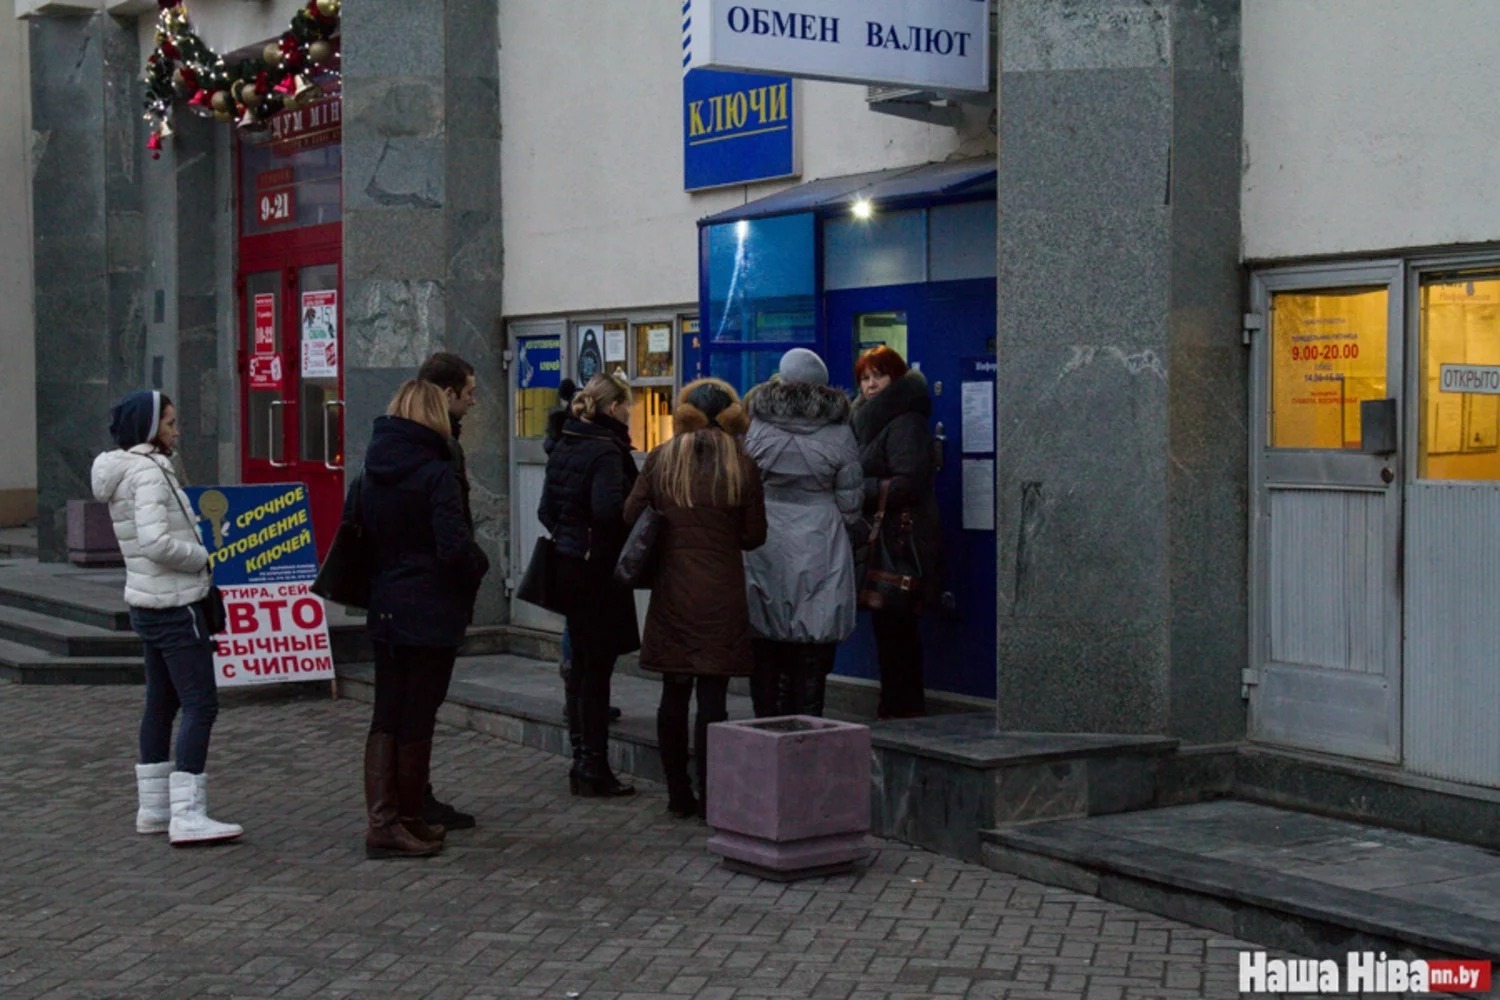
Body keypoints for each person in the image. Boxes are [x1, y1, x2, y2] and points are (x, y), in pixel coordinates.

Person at [92, 391, 242, 846]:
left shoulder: (125, 472)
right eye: (171, 423)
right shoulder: (151, 474)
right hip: (176, 605)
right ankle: (188, 814)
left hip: (149, 603)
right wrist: (202, 558)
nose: (178, 431)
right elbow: (157, 543)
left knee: (161, 702)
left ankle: (155, 809)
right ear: (151, 428)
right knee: (201, 704)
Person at [355, 380, 487, 859]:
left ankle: (386, 820)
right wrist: (479, 568)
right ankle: (403, 818)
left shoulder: (373, 467)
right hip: (429, 607)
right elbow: (453, 545)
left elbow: (360, 532)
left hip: (387, 602)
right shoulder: (436, 471)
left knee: (386, 713)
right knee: (417, 715)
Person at [625, 379, 767, 819]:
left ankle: (677, 793)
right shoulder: (741, 463)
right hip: (721, 593)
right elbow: (754, 535)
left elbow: (631, 515)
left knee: (673, 692)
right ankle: (713, 793)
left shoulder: (662, 458)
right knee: (713, 698)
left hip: (673, 592)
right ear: (730, 417)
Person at [742, 349, 862, 718]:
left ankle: (766, 723)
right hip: (820, 537)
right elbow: (851, 505)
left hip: (765, 536)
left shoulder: (757, 425)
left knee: (765, 635)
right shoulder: (840, 431)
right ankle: (808, 724)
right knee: (814, 635)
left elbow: (744, 485)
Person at [538, 372, 641, 797]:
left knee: (581, 665)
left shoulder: (568, 441)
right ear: (614, 408)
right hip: (596, 569)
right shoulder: (606, 450)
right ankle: (593, 767)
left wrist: (568, 536)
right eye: (627, 407)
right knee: (596, 670)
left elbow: (547, 508)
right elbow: (608, 509)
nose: (629, 414)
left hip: (567, 562)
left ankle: (582, 758)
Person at [413, 352, 489, 831]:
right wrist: (474, 566)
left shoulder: (405, 447)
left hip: (407, 597)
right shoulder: (437, 454)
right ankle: (408, 804)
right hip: (425, 597)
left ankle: (409, 800)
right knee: (416, 707)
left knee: (409, 709)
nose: (475, 401)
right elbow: (451, 533)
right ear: (446, 396)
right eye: (469, 393)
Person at [851, 346, 943, 720]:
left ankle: (903, 709)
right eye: (865, 378)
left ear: (896, 378)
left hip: (901, 537)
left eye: (879, 376)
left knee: (898, 627)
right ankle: (895, 705)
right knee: (888, 628)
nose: (871, 385)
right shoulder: (866, 419)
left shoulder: (904, 420)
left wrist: (859, 488)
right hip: (882, 534)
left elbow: (909, 481)